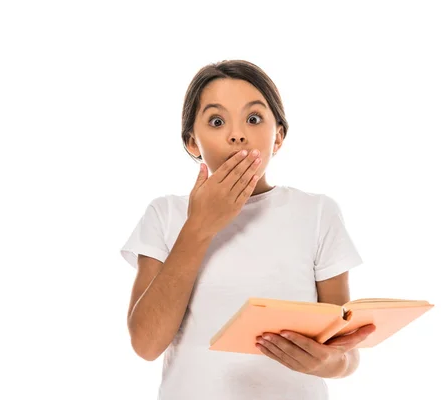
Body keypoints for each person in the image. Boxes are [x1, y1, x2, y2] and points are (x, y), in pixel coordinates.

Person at [119, 59, 375, 400]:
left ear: (278, 137)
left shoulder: (317, 213)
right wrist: (198, 227)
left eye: (253, 119)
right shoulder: (165, 214)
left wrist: (330, 364)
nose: (236, 134)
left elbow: (345, 352)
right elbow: (146, 344)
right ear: (193, 142)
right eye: (216, 121)